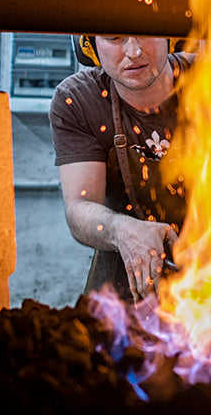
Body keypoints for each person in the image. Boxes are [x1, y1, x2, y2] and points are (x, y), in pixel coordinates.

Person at [49, 34, 192, 302]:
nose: (134, 51)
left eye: (146, 33)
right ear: (90, 45)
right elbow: (79, 208)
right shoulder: (79, 101)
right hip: (124, 295)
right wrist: (121, 230)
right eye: (114, 38)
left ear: (169, 37)